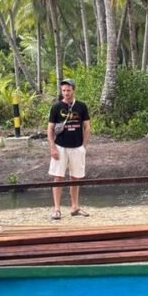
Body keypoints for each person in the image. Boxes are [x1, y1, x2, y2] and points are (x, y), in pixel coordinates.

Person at [48, 78, 91, 220]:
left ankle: (75, 207)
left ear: (73, 90)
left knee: (75, 177)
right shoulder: (56, 107)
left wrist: (84, 146)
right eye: (64, 90)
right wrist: (52, 147)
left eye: (68, 90)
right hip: (60, 146)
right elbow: (50, 129)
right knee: (58, 177)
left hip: (77, 147)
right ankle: (57, 209)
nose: (66, 93)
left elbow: (87, 127)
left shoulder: (81, 106)